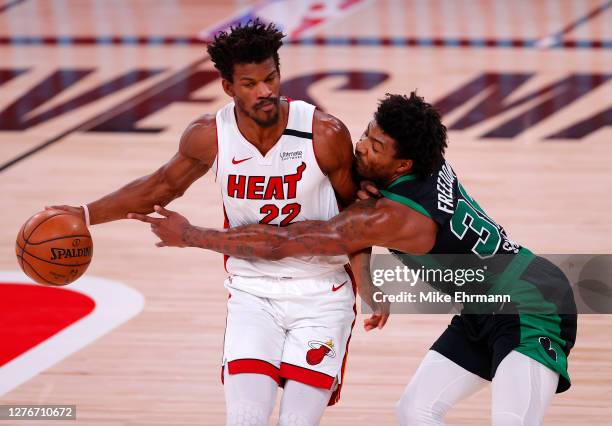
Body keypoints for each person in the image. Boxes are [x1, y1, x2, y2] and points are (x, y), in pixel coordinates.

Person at [132, 92, 577, 425]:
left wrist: (190, 234)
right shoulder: (423, 161)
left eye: (375, 147)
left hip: (532, 304)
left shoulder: (392, 215)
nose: (361, 147)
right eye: (367, 134)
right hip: (483, 306)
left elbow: (285, 242)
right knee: (414, 411)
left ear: (402, 165)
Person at [49, 20, 384, 426]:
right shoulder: (211, 135)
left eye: (270, 78)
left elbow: (356, 215)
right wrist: (84, 215)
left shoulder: (323, 133)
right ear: (228, 87)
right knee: (244, 419)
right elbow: (160, 186)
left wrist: (367, 281)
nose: (265, 91)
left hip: (322, 293)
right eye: (249, 83)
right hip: (251, 293)